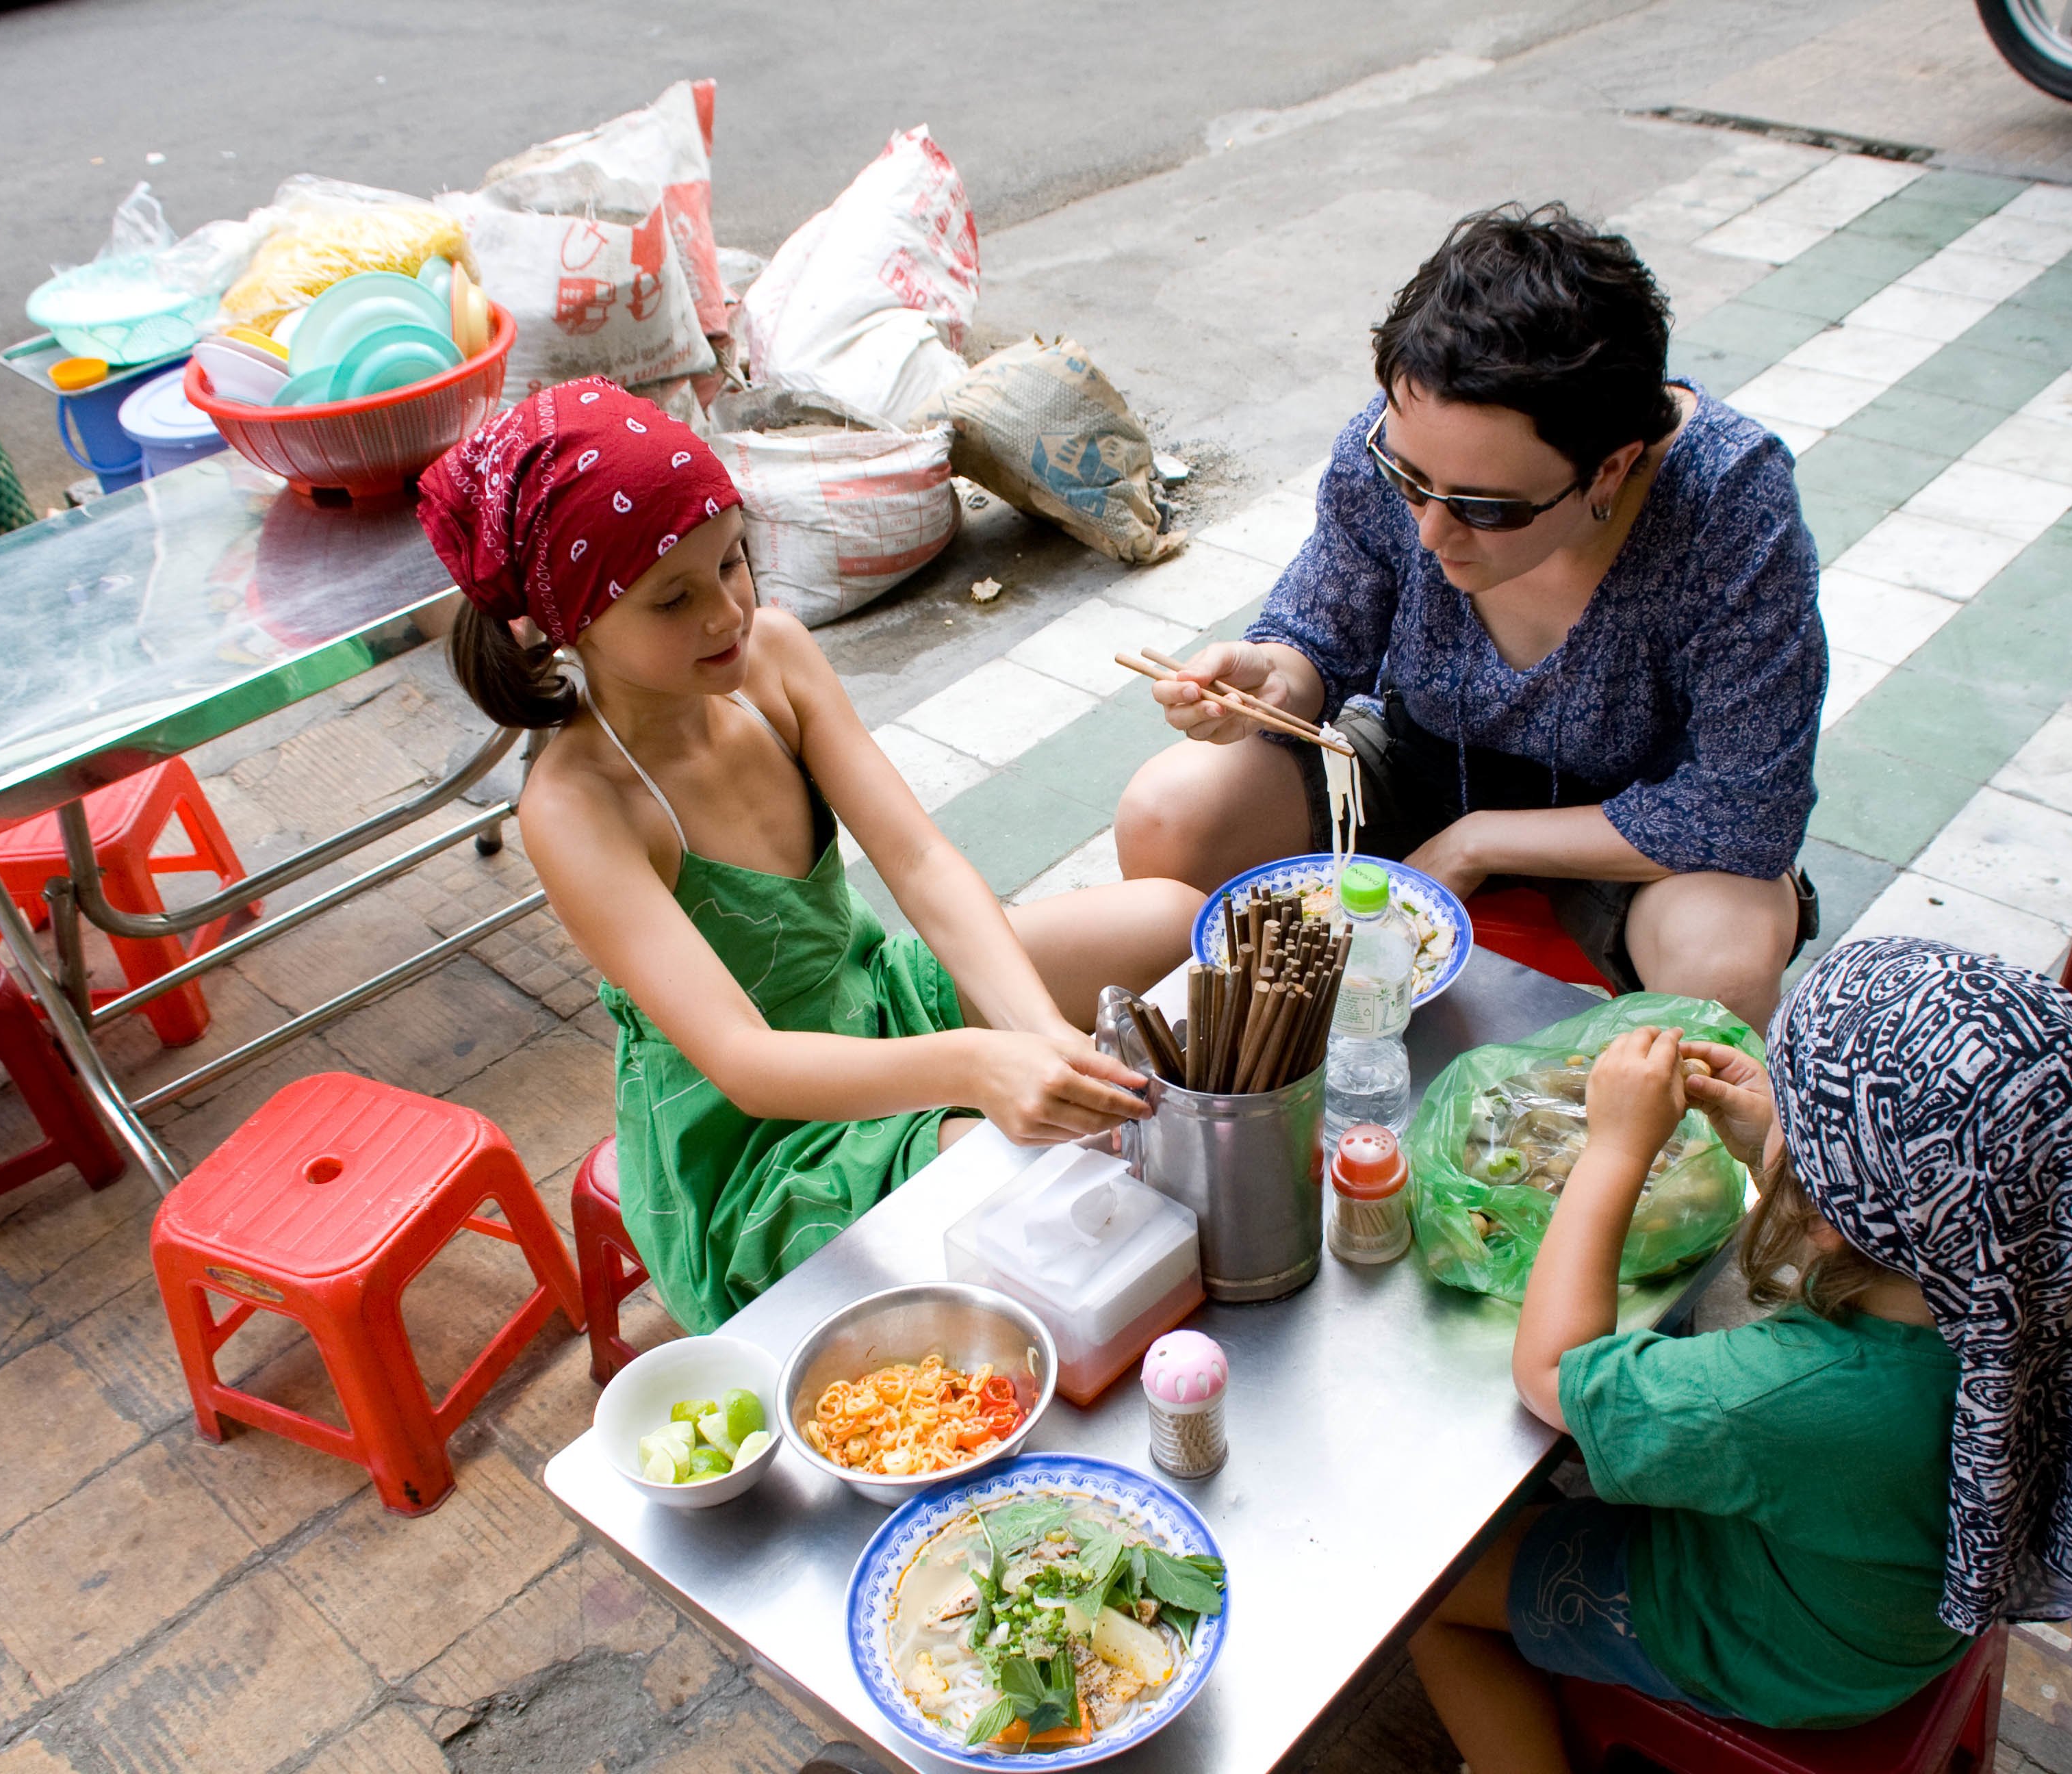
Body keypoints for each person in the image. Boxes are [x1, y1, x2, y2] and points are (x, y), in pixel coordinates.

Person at [418, 380, 1200, 1333]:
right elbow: (749, 1063)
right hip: (760, 1139)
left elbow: (918, 861)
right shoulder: (578, 807)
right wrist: (981, 1068)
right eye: (674, 600)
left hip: (875, 998)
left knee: (1170, 920)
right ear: (572, 622)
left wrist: (1034, 1032)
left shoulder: (775, 660)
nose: (726, 615)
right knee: (999, 1176)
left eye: (734, 562)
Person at [1409, 937, 2072, 1760]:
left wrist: (1617, 1148)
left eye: (1800, 1112)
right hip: (1898, 1605)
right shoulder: (2026, 1286)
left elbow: (1551, 1376)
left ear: (1833, 1221)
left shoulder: (1787, 1395)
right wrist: (1779, 1135)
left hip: (1779, 1651)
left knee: (1430, 1602)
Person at [1115, 205, 1826, 1032]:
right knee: (1169, 811)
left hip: (1638, 824)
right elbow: (1320, 637)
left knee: (1723, 960)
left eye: (1486, 508)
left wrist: (1480, 842)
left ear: (1612, 469)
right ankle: (1258, 1077)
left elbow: (1746, 811)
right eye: (1409, 478)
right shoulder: (1389, 446)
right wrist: (1272, 676)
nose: (1430, 530)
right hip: (1420, 765)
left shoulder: (1730, 506)